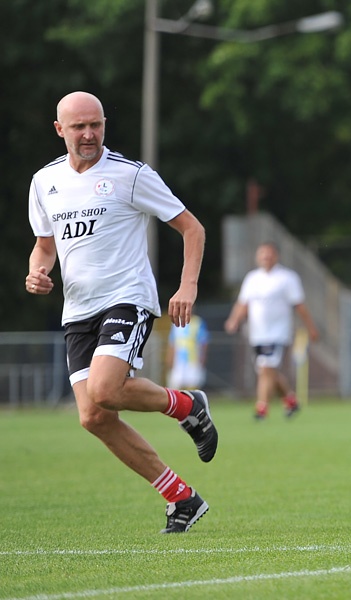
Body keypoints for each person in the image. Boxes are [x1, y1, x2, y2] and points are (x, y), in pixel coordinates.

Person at [26, 91, 217, 534]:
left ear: (105, 124)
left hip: (126, 297)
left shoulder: (130, 176)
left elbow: (192, 228)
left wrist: (187, 285)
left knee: (106, 389)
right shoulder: (43, 182)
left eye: (96, 124)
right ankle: (181, 496)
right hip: (77, 311)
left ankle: (187, 405)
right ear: (60, 131)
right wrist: (37, 273)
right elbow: (43, 246)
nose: (89, 134)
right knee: (93, 416)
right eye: (79, 127)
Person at [225, 242, 319, 419]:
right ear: (257, 257)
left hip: (277, 332)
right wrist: (234, 320)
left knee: (266, 368)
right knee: (268, 371)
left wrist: (311, 328)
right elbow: (243, 303)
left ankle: (261, 408)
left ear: (276, 256)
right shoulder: (252, 278)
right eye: (262, 255)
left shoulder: (287, 278)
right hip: (257, 333)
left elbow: (299, 305)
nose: (266, 258)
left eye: (269, 255)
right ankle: (291, 400)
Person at [166, 314, 209, 390]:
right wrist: (170, 357)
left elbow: (203, 342)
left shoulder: (198, 322)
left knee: (193, 385)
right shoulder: (176, 322)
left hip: (193, 359)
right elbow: (172, 342)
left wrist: (202, 357)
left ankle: (192, 401)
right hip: (178, 360)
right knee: (176, 385)